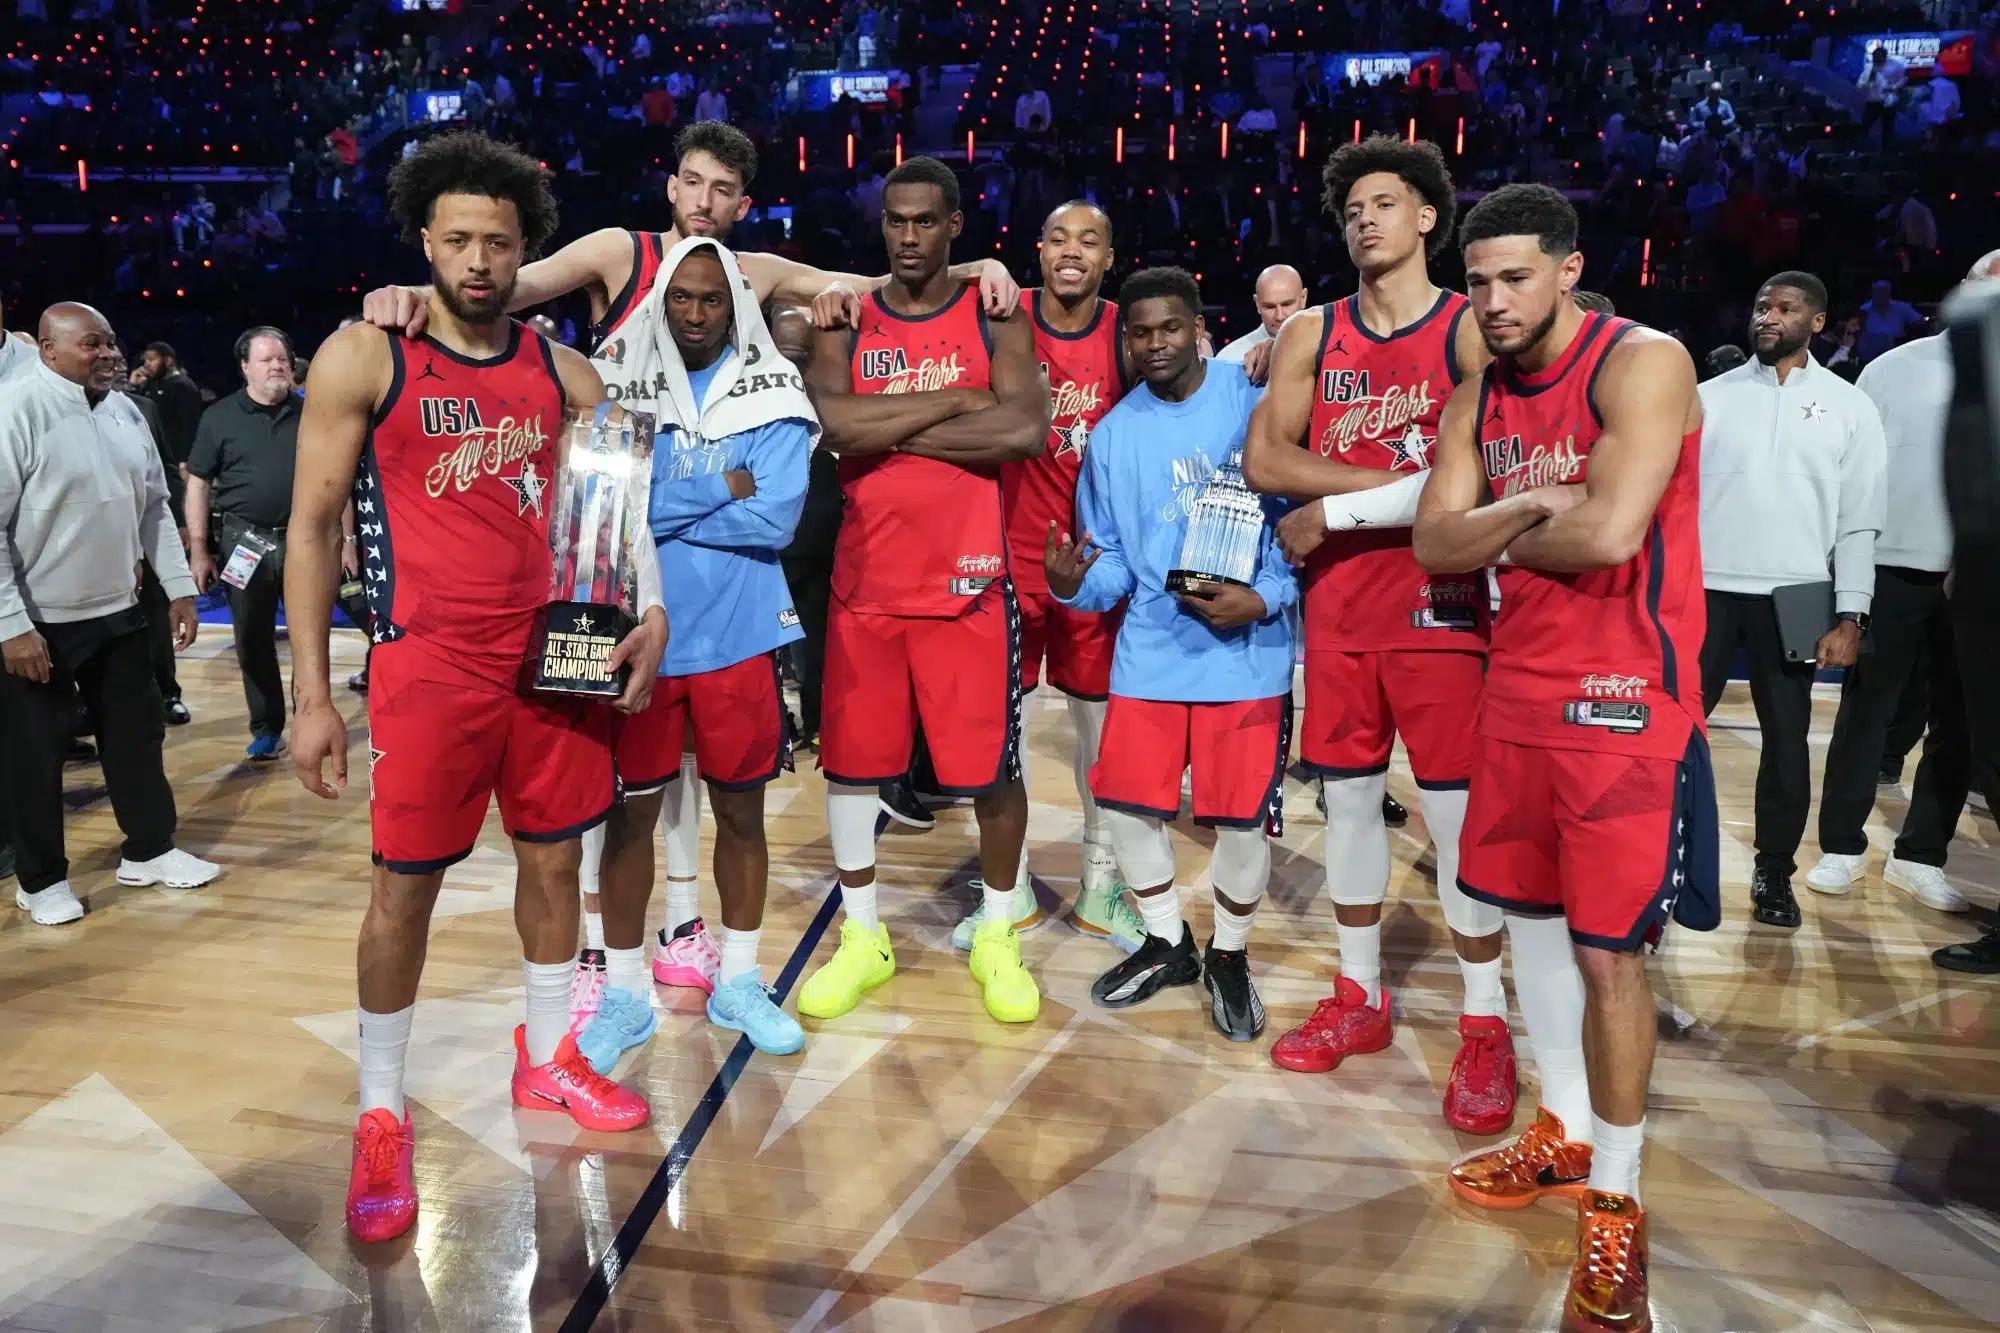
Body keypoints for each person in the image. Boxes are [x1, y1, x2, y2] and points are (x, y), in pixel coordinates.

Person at [285, 131, 668, 1245]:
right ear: (423, 242)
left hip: (554, 662)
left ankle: (547, 1056)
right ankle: (377, 1109)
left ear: (524, 251)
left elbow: (616, 524)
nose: (479, 258)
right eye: (457, 238)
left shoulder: (567, 373)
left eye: (499, 241)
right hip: (429, 663)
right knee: (403, 888)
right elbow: (310, 529)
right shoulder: (367, 355)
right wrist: (313, 693)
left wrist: (648, 612)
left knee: (557, 864)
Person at [1414, 183, 1714, 1333]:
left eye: (1512, 278)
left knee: (1608, 961)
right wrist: (1539, 495)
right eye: (1476, 279)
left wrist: (1504, 515)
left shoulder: (1641, 361)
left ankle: (1616, 1199)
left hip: (1623, 699)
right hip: (1515, 693)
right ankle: (1562, 1126)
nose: (1488, 301)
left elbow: (1611, 531)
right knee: (1528, 929)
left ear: (1567, 269)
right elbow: (1434, 543)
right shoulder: (1475, 391)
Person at [1241, 136, 1513, 1131]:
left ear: (1429, 217)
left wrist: (1365, 505)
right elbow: (1266, 460)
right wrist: (1401, 493)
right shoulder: (1312, 330)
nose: (1364, 220)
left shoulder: (1464, 328)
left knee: (1452, 821)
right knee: (1347, 810)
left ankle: (1484, 1021)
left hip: (1437, 607)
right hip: (1339, 610)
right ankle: (1359, 994)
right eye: (1352, 207)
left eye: (1384, 203)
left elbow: (1481, 473)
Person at [799, 155, 1050, 1025]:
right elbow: (833, 427)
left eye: (924, 222)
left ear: (954, 228)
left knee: (992, 770)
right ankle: (862, 934)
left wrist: (886, 435)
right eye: (895, 221)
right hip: (866, 584)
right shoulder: (844, 317)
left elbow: (1022, 430)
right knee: (853, 769)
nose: (908, 236)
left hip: (970, 584)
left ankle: (998, 929)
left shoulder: (996, 314)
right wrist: (952, 399)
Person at [581, 237, 816, 1068]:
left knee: (743, 817)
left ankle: (742, 980)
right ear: (660, 300)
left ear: (735, 304)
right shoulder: (619, 384)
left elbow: (777, 518)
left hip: (740, 637)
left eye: (711, 299)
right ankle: (621, 994)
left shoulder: (776, 389)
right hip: (641, 638)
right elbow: (610, 502)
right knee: (629, 821)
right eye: (680, 297)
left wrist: (660, 502)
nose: (694, 312)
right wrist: (722, 485)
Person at [1045, 266, 1292, 1040]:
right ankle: (1167, 939)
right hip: (1151, 647)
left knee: (1241, 821)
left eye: (1170, 328)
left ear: (1199, 326)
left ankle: (1231, 953)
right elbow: (1114, 561)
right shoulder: (1115, 434)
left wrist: (1269, 596)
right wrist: (1072, 586)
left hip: (1246, 646)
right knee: (1123, 804)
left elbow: (1295, 518)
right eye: (1141, 332)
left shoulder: (1251, 400)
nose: (1155, 344)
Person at [361, 121, 1020, 362]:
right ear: (672, 189)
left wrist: (979, 265)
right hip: (614, 468)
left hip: (703, 471)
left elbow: (877, 288)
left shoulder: (757, 270)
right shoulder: (620, 251)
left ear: (743, 203)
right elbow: (510, 286)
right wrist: (412, 294)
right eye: (694, 183)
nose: (705, 201)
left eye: (723, 188)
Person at [961, 199, 1144, 954]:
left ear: (1109, 257)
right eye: (1059, 237)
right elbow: (917, 287)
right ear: (1037, 250)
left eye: (1089, 240)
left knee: (1098, 731)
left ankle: (1103, 884)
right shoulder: (1001, 311)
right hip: (1004, 554)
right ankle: (1008, 888)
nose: (1073, 251)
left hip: (1094, 567)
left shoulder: (1126, 333)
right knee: (1000, 731)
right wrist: (981, 265)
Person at [0, 303, 217, 928]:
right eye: (92, 345)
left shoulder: (126, 410)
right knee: (35, 755)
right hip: (39, 623)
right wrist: (10, 624)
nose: (110, 355)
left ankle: (149, 850)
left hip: (120, 610)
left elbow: (155, 508)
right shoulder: (16, 412)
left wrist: (178, 588)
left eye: (111, 343)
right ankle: (39, 881)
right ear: (48, 350)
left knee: (136, 739)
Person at [1809, 250, 2000, 913]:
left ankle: (1920, 854)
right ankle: (1840, 842)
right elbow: (1850, 477)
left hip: (1978, 581)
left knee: (1962, 724)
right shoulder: (1892, 369)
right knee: (1868, 709)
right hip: (1893, 568)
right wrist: (1845, 577)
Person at [1697, 272, 1886, 927]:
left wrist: (1851, 612)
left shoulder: (1851, 406)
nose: (1768, 316)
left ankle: (1773, 871)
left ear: (1818, 321)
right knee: (1673, 735)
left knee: (1787, 743)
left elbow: (1860, 520)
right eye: (1761, 306)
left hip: (1802, 593)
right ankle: (1662, 858)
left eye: (1785, 308)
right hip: (1705, 586)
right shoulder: (1705, 398)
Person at [186, 327, 301, 760]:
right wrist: (200, 547)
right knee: (252, 637)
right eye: (267, 359)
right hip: (244, 542)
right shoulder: (218, 417)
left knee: (310, 636)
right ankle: (267, 728)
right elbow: (197, 483)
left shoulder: (313, 412)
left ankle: (311, 718)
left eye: (283, 359)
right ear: (245, 367)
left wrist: (345, 540)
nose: (277, 366)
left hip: (305, 539)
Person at [1216, 264, 1309, 363]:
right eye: (1270, 307)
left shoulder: (1324, 349)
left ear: (1303, 298)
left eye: (1287, 304)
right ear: (1257, 304)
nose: (1280, 316)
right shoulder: (1230, 359)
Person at [135, 341, 205, 471]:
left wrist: (185, 460)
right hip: (153, 456)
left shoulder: (183, 386)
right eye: (145, 360)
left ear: (168, 361)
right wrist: (133, 386)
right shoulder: (151, 383)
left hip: (176, 461)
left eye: (151, 359)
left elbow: (190, 427)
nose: (146, 364)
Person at [1857, 279, 1926, 364]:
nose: (1881, 295)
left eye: (1884, 292)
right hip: (1869, 357)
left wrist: (1906, 334)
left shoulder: (1901, 307)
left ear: (1889, 293)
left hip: (1896, 356)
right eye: (1879, 292)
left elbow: (1920, 321)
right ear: (1873, 293)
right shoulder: (1864, 310)